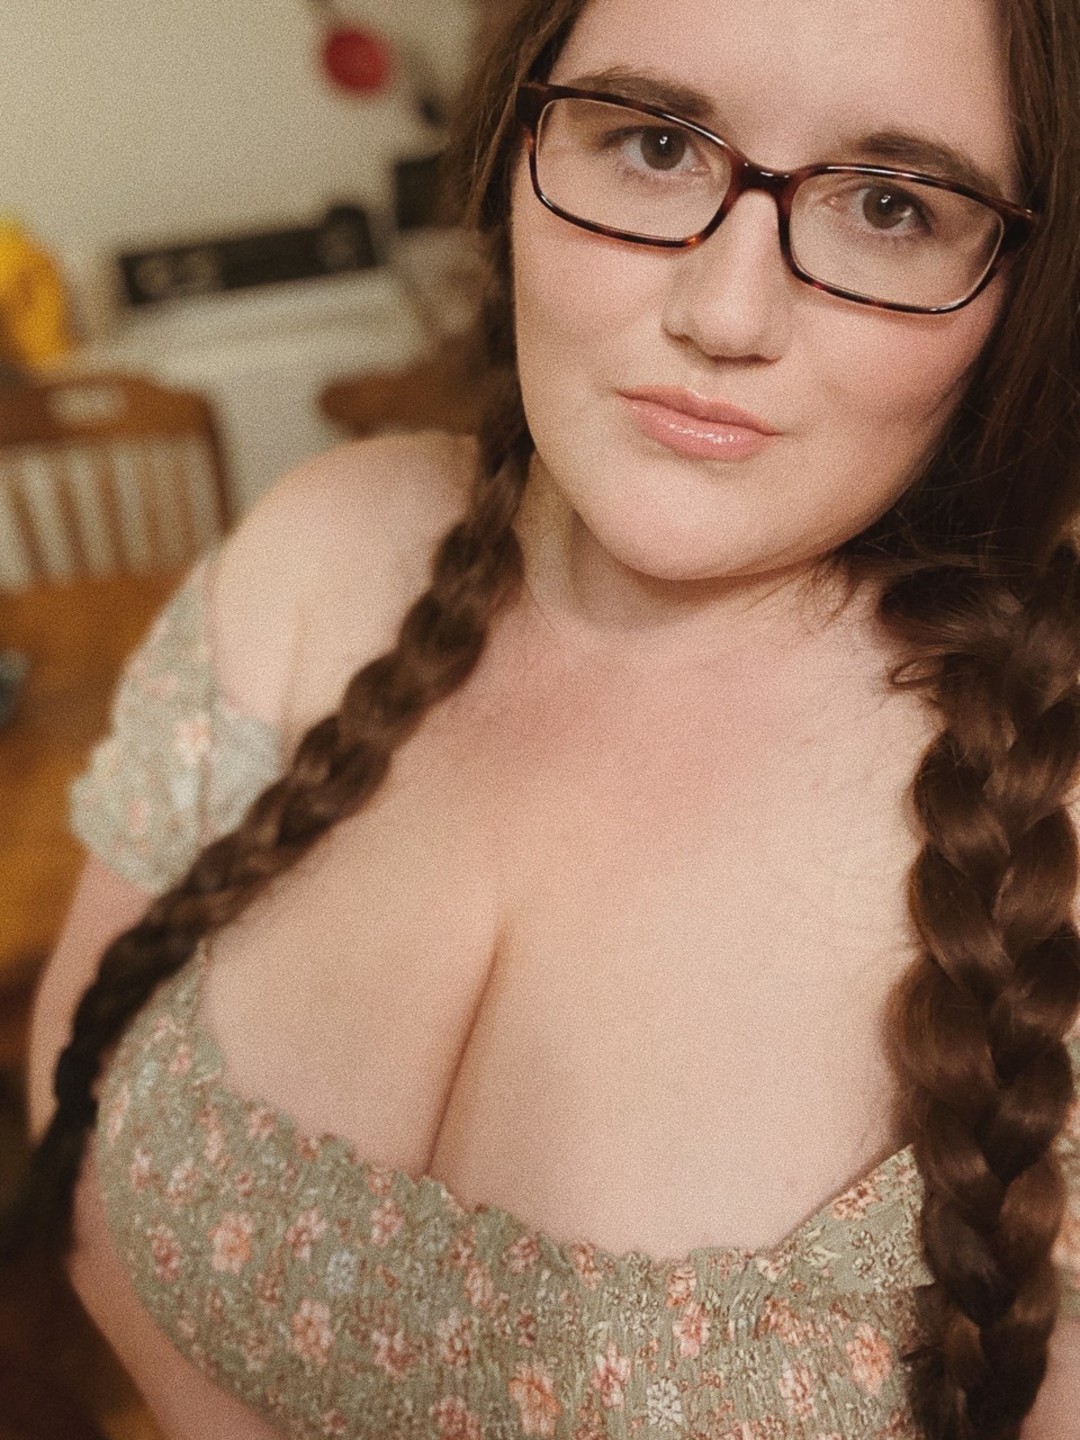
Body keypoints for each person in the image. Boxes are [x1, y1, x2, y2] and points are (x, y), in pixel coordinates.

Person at [10, 0, 1080, 1433]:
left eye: (892, 206)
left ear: (1019, 289)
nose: (725, 314)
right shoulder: (313, 555)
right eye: (655, 143)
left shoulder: (1047, 838)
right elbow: (79, 1119)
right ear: (509, 150)